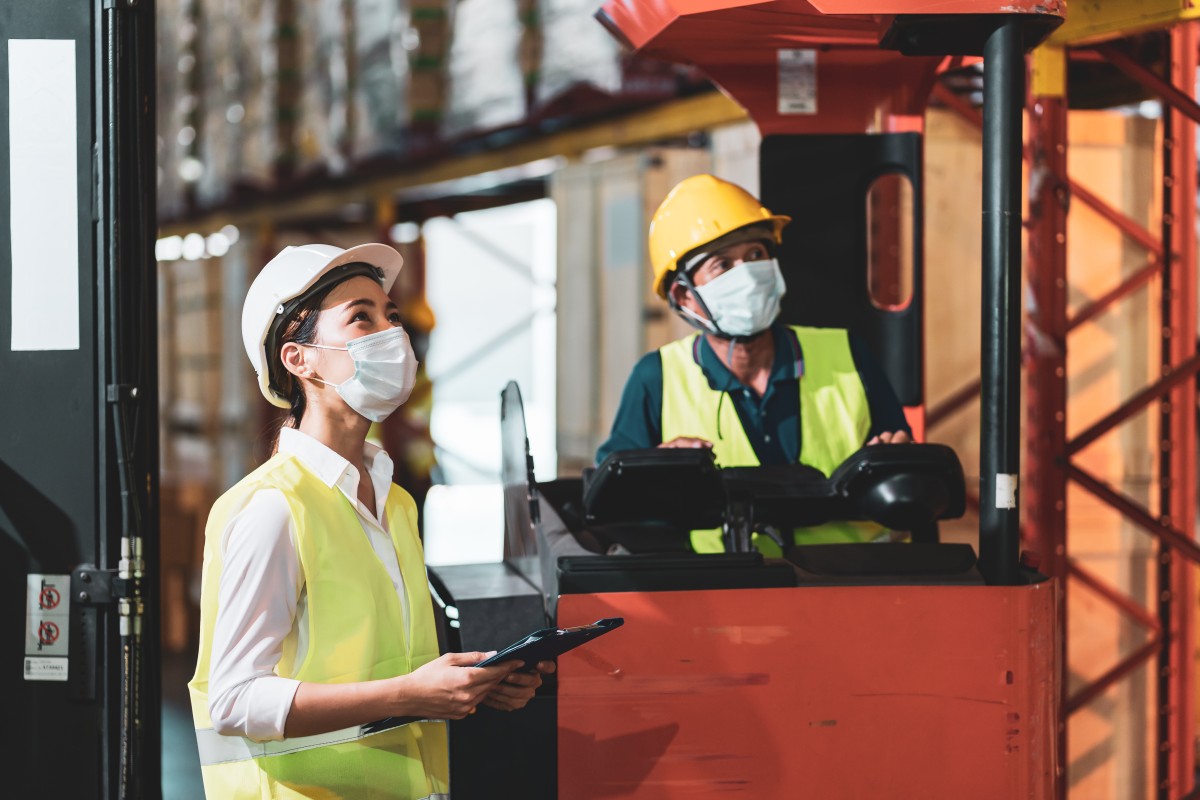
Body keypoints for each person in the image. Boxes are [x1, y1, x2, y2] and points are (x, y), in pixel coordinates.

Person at [188, 243, 552, 799]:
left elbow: (394, 665)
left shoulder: (396, 503)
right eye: (361, 317)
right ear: (299, 359)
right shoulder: (273, 508)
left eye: (392, 317)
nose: (392, 335)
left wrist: (475, 685)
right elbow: (235, 702)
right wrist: (411, 693)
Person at [598, 175, 912, 552]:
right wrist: (657, 473)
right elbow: (608, 506)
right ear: (685, 297)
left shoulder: (847, 354)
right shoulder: (656, 379)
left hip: (843, 586)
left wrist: (897, 456)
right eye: (722, 265)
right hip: (720, 595)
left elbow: (903, 475)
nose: (747, 273)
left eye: (756, 255)